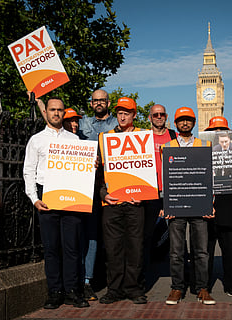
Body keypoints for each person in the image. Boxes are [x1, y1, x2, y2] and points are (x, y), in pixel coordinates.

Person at [23, 97, 89, 309]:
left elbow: (83, 172)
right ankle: (54, 292)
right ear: (47, 112)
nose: (57, 113)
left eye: (60, 110)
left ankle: (72, 291)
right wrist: (34, 199)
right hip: (47, 197)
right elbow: (28, 171)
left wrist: (92, 164)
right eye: (53, 109)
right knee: (51, 249)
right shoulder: (37, 140)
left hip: (71, 197)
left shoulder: (75, 140)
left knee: (72, 248)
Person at [160, 107, 216, 305]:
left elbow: (210, 177)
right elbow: (165, 178)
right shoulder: (167, 146)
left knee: (201, 251)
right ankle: (177, 288)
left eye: (188, 120)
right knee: (176, 251)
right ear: (175, 124)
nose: (185, 123)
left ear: (194, 122)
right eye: (181, 120)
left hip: (200, 204)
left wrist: (211, 203)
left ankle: (202, 288)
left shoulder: (205, 144)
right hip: (176, 205)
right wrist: (165, 204)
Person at [97, 97, 147, 305]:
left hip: (136, 202)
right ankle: (114, 289)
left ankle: (133, 288)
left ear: (134, 115)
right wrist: (103, 194)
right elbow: (98, 172)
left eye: (127, 112)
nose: (122, 115)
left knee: (135, 247)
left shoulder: (143, 137)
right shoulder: (104, 137)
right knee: (113, 247)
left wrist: (142, 193)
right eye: (119, 112)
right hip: (112, 201)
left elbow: (148, 170)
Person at [78, 89, 118, 301]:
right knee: (91, 233)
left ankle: (116, 282)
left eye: (102, 100)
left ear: (108, 103)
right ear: (91, 103)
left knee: (113, 234)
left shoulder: (116, 125)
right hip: (87, 184)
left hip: (111, 183)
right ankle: (87, 281)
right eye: (95, 101)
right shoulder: (83, 123)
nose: (99, 103)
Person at [205, 116, 232, 297]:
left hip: (231, 204)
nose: (217, 133)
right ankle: (203, 285)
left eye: (221, 130)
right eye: (214, 131)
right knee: (204, 250)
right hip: (207, 205)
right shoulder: (204, 149)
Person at [142, 104, 176, 290]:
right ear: (150, 118)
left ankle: (180, 277)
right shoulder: (143, 137)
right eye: (155, 114)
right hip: (150, 191)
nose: (159, 117)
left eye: (162, 114)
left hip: (171, 190)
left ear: (166, 116)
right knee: (146, 235)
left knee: (177, 234)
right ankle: (144, 277)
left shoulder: (173, 136)